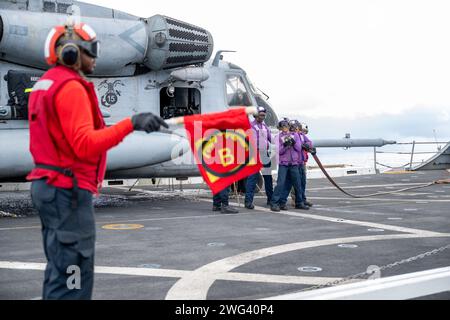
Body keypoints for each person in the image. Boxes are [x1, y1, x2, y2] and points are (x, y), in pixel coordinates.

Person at [27, 22, 168, 300]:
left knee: (59, 268)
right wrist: (131, 124)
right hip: (66, 191)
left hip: (50, 187)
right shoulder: (70, 87)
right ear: (71, 52)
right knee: (74, 272)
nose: (95, 57)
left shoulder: (46, 84)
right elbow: (85, 144)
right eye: (91, 50)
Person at [270, 119, 305, 212]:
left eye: (286, 126)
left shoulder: (295, 135)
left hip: (294, 163)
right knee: (280, 183)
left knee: (297, 184)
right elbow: (279, 151)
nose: (284, 128)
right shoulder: (277, 137)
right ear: (280, 128)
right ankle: (274, 203)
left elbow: (298, 149)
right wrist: (285, 146)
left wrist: (292, 143)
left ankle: (299, 203)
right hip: (283, 164)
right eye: (282, 127)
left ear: (289, 126)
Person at [278, 120, 312, 209]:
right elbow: (296, 149)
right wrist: (290, 144)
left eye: (296, 127)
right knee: (291, 184)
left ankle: (301, 200)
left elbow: (308, 143)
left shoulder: (301, 135)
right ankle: (292, 201)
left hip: (300, 162)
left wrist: (307, 145)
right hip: (294, 163)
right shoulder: (290, 136)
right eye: (293, 127)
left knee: (301, 183)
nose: (295, 128)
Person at [244, 106, 273, 209]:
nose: (263, 117)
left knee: (268, 177)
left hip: (264, 153)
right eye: (261, 115)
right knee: (252, 178)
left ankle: (271, 199)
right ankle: (248, 201)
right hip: (254, 153)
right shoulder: (251, 126)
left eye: (264, 115)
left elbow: (271, 139)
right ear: (256, 115)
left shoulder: (265, 127)